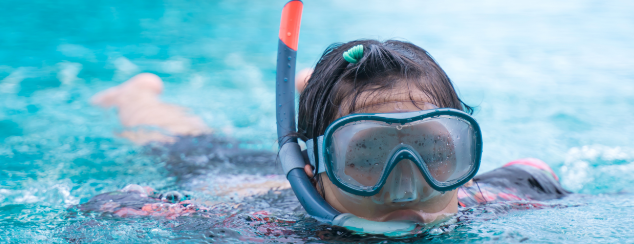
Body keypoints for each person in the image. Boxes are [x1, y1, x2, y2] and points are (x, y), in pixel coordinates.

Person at [82, 39, 569, 228]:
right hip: (235, 179)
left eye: (434, 151)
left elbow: (536, 171)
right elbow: (114, 206)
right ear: (313, 165)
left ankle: (328, 96)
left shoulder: (499, 196)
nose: (407, 184)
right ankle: (135, 96)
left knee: (357, 113)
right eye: (368, 155)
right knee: (183, 141)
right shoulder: (259, 227)